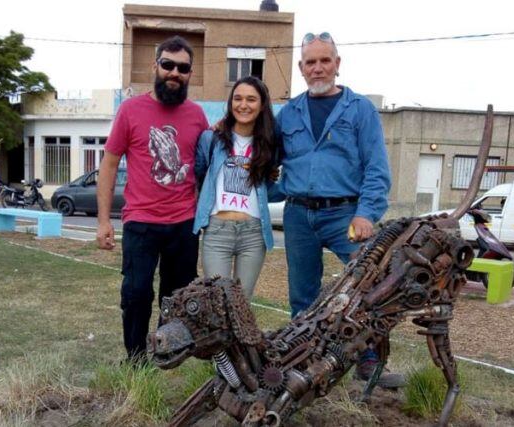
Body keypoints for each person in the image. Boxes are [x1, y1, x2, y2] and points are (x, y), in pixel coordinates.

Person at [276, 32, 395, 382]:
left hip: (346, 215)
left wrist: (366, 213)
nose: (317, 68)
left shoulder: (360, 110)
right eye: (310, 62)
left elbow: (377, 168)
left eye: (324, 60)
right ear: (301, 68)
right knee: (303, 295)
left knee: (368, 286)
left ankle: (369, 360)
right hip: (298, 215)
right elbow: (268, 161)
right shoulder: (288, 114)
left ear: (337, 64)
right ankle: (305, 361)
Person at [96, 36, 209, 363]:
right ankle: (135, 358)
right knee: (135, 294)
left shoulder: (198, 116)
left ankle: (165, 350)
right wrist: (103, 221)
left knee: (176, 297)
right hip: (141, 223)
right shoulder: (130, 110)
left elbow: (207, 166)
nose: (175, 73)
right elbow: (109, 163)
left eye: (183, 68)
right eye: (168, 65)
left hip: (184, 223)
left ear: (190, 74)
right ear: (155, 66)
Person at [193, 76, 278, 300]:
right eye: (238, 98)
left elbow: (272, 187)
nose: (243, 105)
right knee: (218, 304)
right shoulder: (210, 138)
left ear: (261, 105)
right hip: (217, 230)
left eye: (251, 99)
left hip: (253, 233)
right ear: (231, 103)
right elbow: (200, 174)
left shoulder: (270, 144)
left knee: (241, 304)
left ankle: (239, 337)